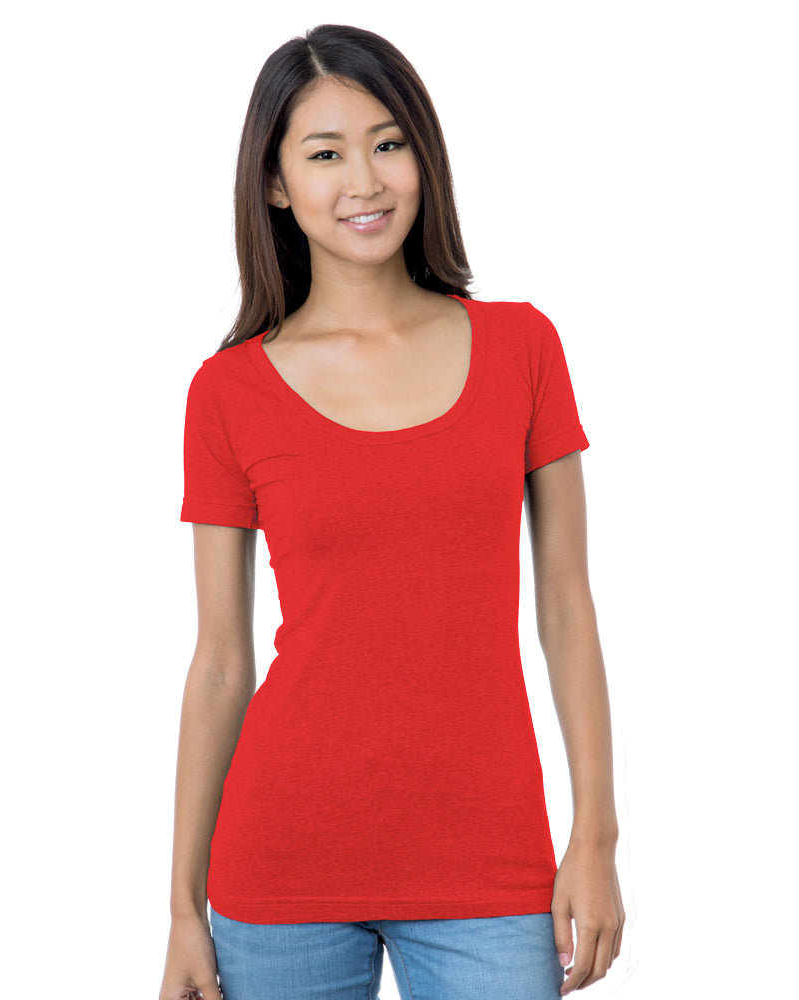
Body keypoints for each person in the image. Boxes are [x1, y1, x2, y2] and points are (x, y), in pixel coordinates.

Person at [159, 23, 624, 1000]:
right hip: (281, 863)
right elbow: (221, 661)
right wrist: (181, 910)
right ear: (275, 183)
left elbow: (566, 608)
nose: (364, 181)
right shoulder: (228, 391)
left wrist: (594, 834)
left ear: (423, 154)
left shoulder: (522, 347)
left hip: (489, 860)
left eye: (387, 142)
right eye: (324, 154)